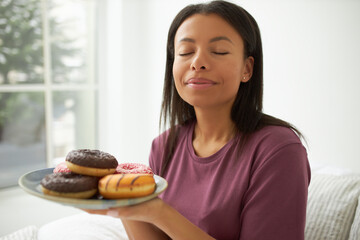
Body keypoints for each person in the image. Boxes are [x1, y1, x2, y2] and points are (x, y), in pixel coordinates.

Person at [85, 1, 311, 239]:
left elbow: (158, 215)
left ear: (247, 68)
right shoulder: (164, 146)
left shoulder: (278, 150)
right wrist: (124, 204)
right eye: (185, 52)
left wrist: (158, 212)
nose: (197, 62)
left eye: (219, 51)